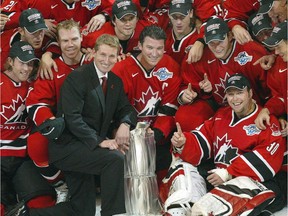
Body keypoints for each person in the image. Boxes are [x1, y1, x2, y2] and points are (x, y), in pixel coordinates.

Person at [21, 34, 137, 216]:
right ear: (94, 53)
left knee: (81, 211)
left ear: (117, 57)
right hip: (68, 148)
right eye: (103, 55)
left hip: (86, 150)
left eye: (112, 56)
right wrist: (100, 141)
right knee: (114, 159)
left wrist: (125, 123)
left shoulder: (115, 81)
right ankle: (113, 213)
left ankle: (27, 214)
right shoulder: (77, 78)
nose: (107, 60)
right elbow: (72, 118)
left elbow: (126, 108)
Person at [171, 73, 286, 214]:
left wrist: (228, 173)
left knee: (222, 202)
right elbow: (202, 140)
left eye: (239, 93)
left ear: (250, 93)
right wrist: (183, 143)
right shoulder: (222, 115)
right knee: (182, 167)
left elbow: (267, 161)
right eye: (231, 94)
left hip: (259, 183)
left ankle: (207, 209)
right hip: (219, 180)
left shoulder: (265, 120)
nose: (235, 99)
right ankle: (181, 209)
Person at [26, 19, 91, 203]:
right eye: (65, 41)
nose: (70, 45)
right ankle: (62, 185)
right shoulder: (52, 68)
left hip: (95, 123)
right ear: (58, 43)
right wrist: (53, 123)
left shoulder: (95, 60)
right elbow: (35, 102)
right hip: (64, 124)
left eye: (74, 39)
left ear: (81, 38)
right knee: (36, 143)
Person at [175, 16, 271, 132]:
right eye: (211, 43)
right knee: (185, 117)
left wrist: (269, 109)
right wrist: (187, 95)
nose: (217, 47)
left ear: (230, 36)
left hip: (252, 107)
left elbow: (270, 89)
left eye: (220, 41)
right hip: (219, 107)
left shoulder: (250, 51)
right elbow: (186, 84)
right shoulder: (200, 54)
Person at [112, 25, 182, 178]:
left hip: (155, 134)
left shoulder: (170, 66)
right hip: (126, 132)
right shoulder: (121, 69)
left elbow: (168, 109)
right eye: (150, 47)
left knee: (163, 164)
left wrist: (155, 134)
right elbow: (116, 108)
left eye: (159, 48)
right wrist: (125, 128)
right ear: (139, 46)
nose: (155, 54)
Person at [1, 41, 57, 216]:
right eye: (22, 63)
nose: (27, 68)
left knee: (43, 204)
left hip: (23, 159)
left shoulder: (35, 86)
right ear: (10, 61)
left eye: (30, 63)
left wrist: (48, 54)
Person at [165, 0, 201, 65]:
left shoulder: (199, 37)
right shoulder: (162, 35)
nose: (178, 22)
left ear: (191, 13)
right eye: (174, 17)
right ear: (168, 14)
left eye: (182, 17)